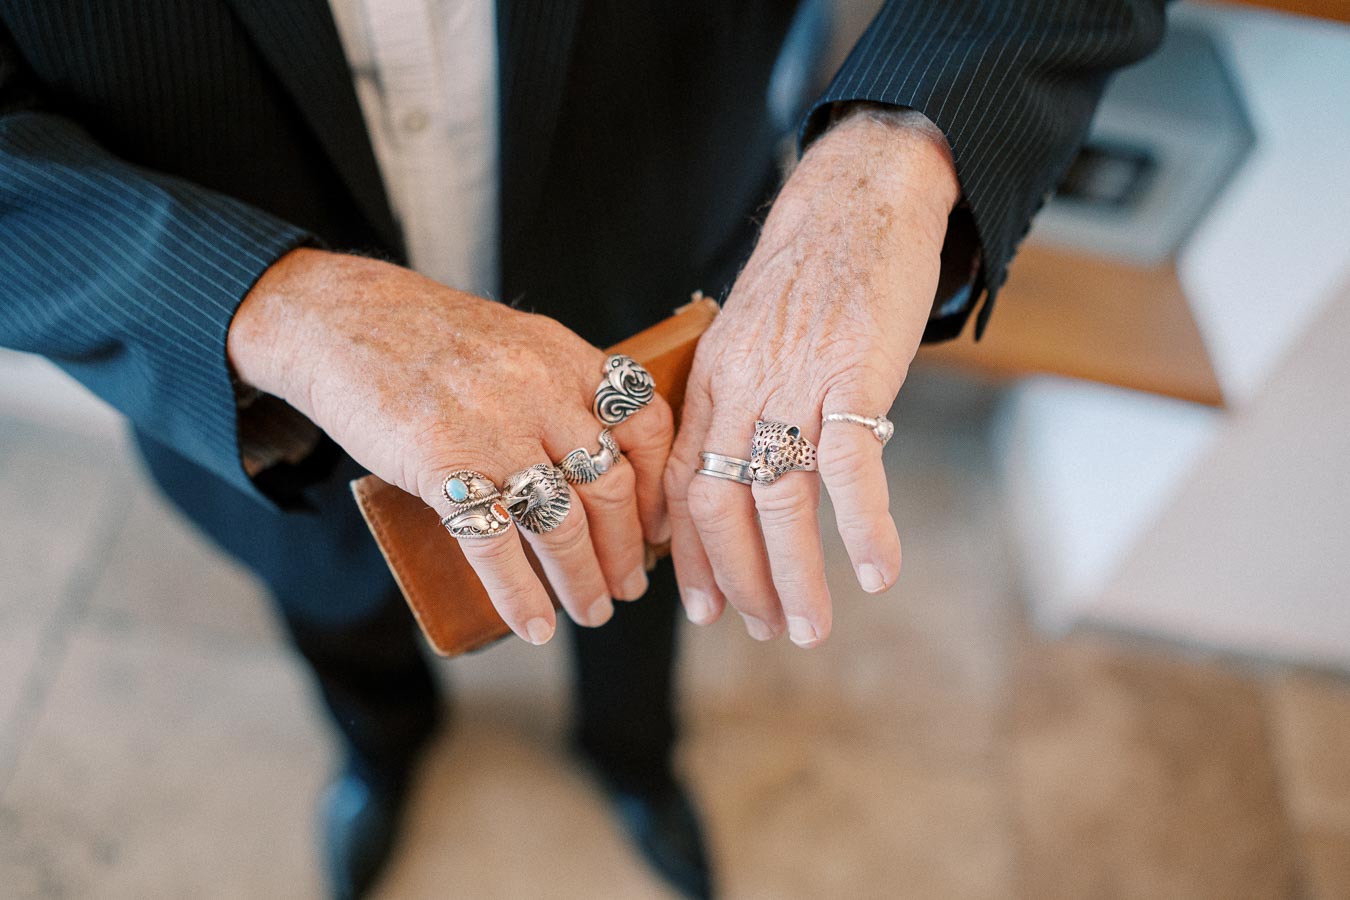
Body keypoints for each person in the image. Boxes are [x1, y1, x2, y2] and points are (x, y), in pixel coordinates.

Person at [0, 1, 1165, 897]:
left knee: (653, 583)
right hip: (261, 397)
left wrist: (903, 148)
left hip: (653, 282)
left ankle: (636, 759)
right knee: (333, 597)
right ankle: (382, 751)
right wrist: (262, 302)